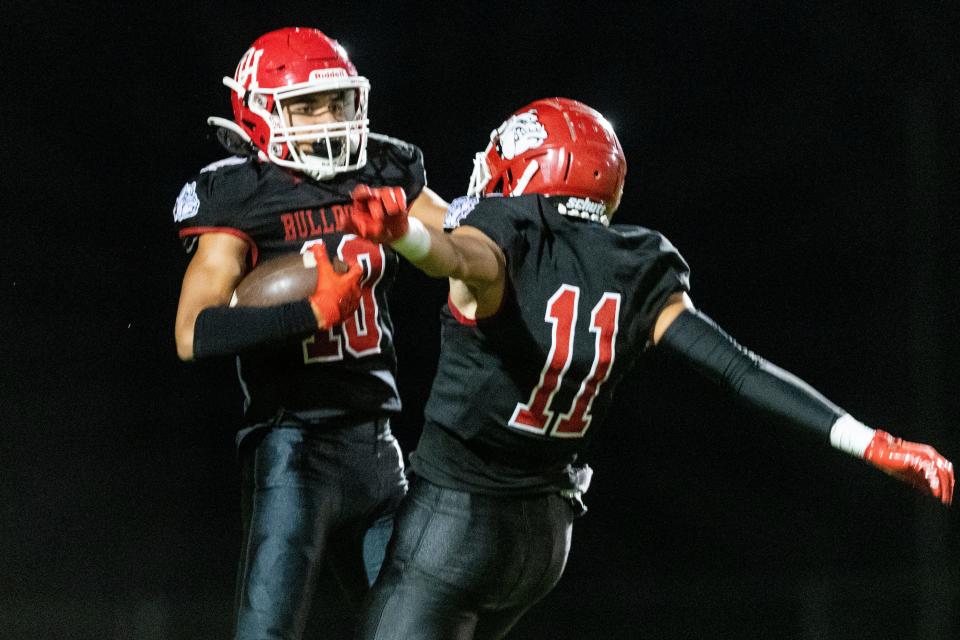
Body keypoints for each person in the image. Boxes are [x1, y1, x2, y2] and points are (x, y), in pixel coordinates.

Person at [343, 97, 955, 640]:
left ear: (528, 172)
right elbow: (740, 370)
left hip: (454, 524)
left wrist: (403, 236)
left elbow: (457, 253)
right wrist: (872, 442)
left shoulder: (503, 232)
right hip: (543, 541)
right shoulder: (637, 265)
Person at [171, 27, 447, 640]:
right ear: (261, 112)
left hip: (379, 446)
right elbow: (192, 333)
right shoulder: (242, 194)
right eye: (305, 105)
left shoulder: (384, 168)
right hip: (295, 447)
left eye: (336, 101)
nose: (326, 119)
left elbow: (462, 245)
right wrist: (309, 313)